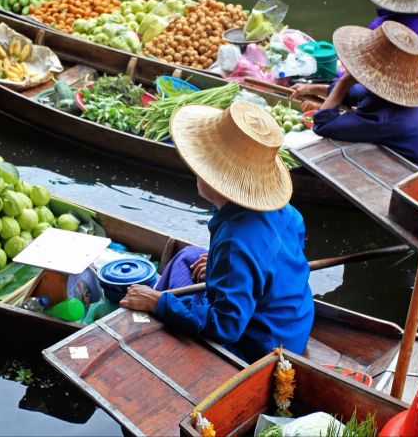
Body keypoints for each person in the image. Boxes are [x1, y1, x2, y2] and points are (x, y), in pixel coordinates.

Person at [120, 100, 314, 362]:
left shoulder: (236, 241)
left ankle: (147, 317)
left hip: (264, 347)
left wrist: (159, 303)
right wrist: (215, 265)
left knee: (171, 286)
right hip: (295, 322)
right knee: (188, 256)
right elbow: (272, 265)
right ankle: (156, 297)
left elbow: (226, 326)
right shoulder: (287, 213)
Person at [290, 20, 418, 169]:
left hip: (412, 174)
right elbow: (354, 93)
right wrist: (310, 89)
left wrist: (344, 81)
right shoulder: (388, 96)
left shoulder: (383, 119)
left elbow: (322, 124)